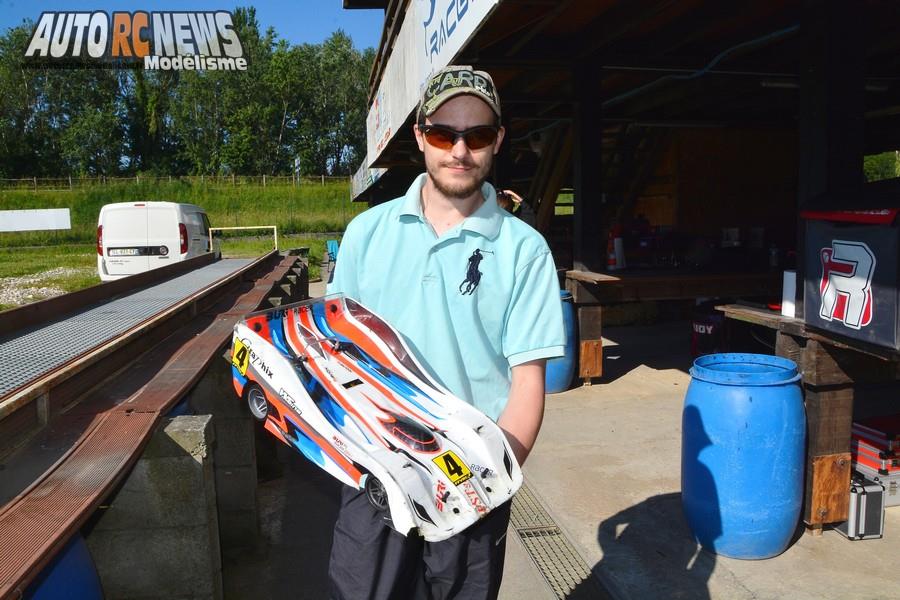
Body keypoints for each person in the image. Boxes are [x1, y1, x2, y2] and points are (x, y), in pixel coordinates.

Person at [326, 65, 565, 600]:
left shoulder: (524, 250)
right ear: (420, 137)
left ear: (498, 140)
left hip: (469, 484)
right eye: (443, 134)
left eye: (477, 135)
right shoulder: (367, 233)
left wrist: (487, 482)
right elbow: (338, 353)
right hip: (374, 472)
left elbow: (528, 381)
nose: (460, 150)